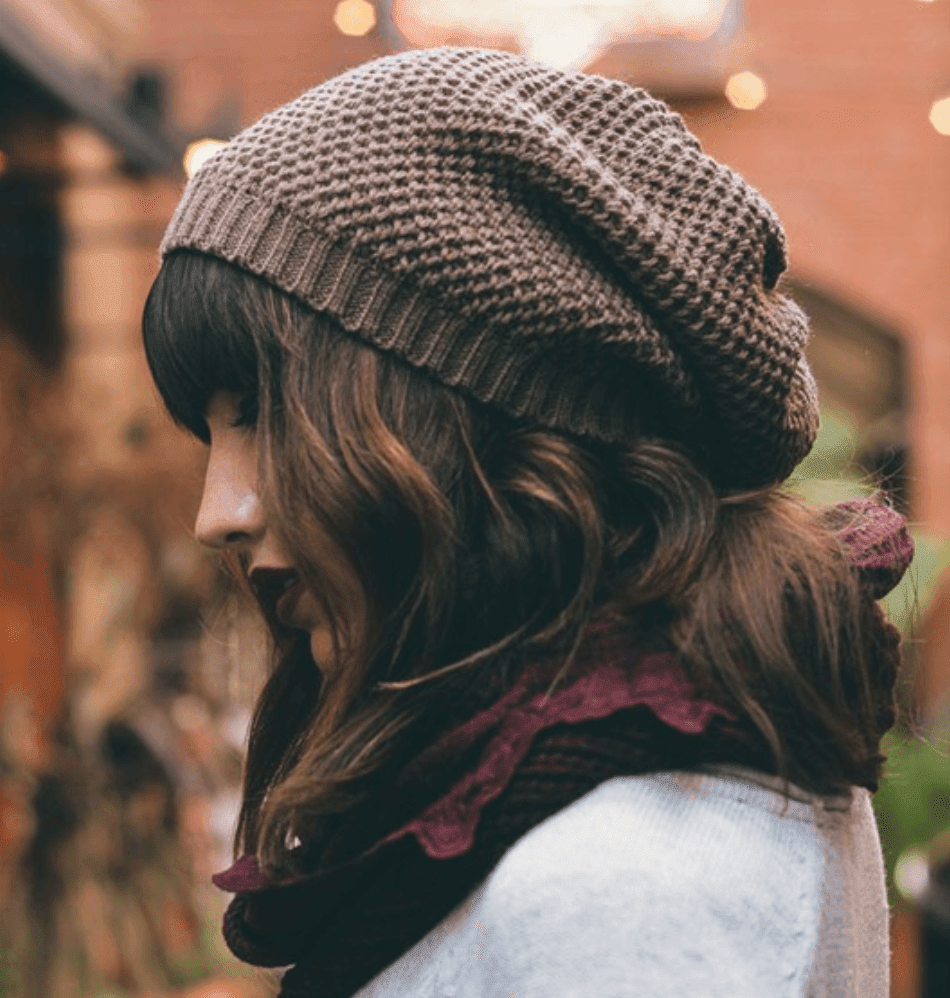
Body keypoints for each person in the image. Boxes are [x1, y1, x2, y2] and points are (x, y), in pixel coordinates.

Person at [142, 46, 914, 998]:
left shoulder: (614, 885)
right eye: (207, 434)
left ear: (473, 405)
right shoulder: (628, 768)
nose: (216, 514)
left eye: (261, 410)